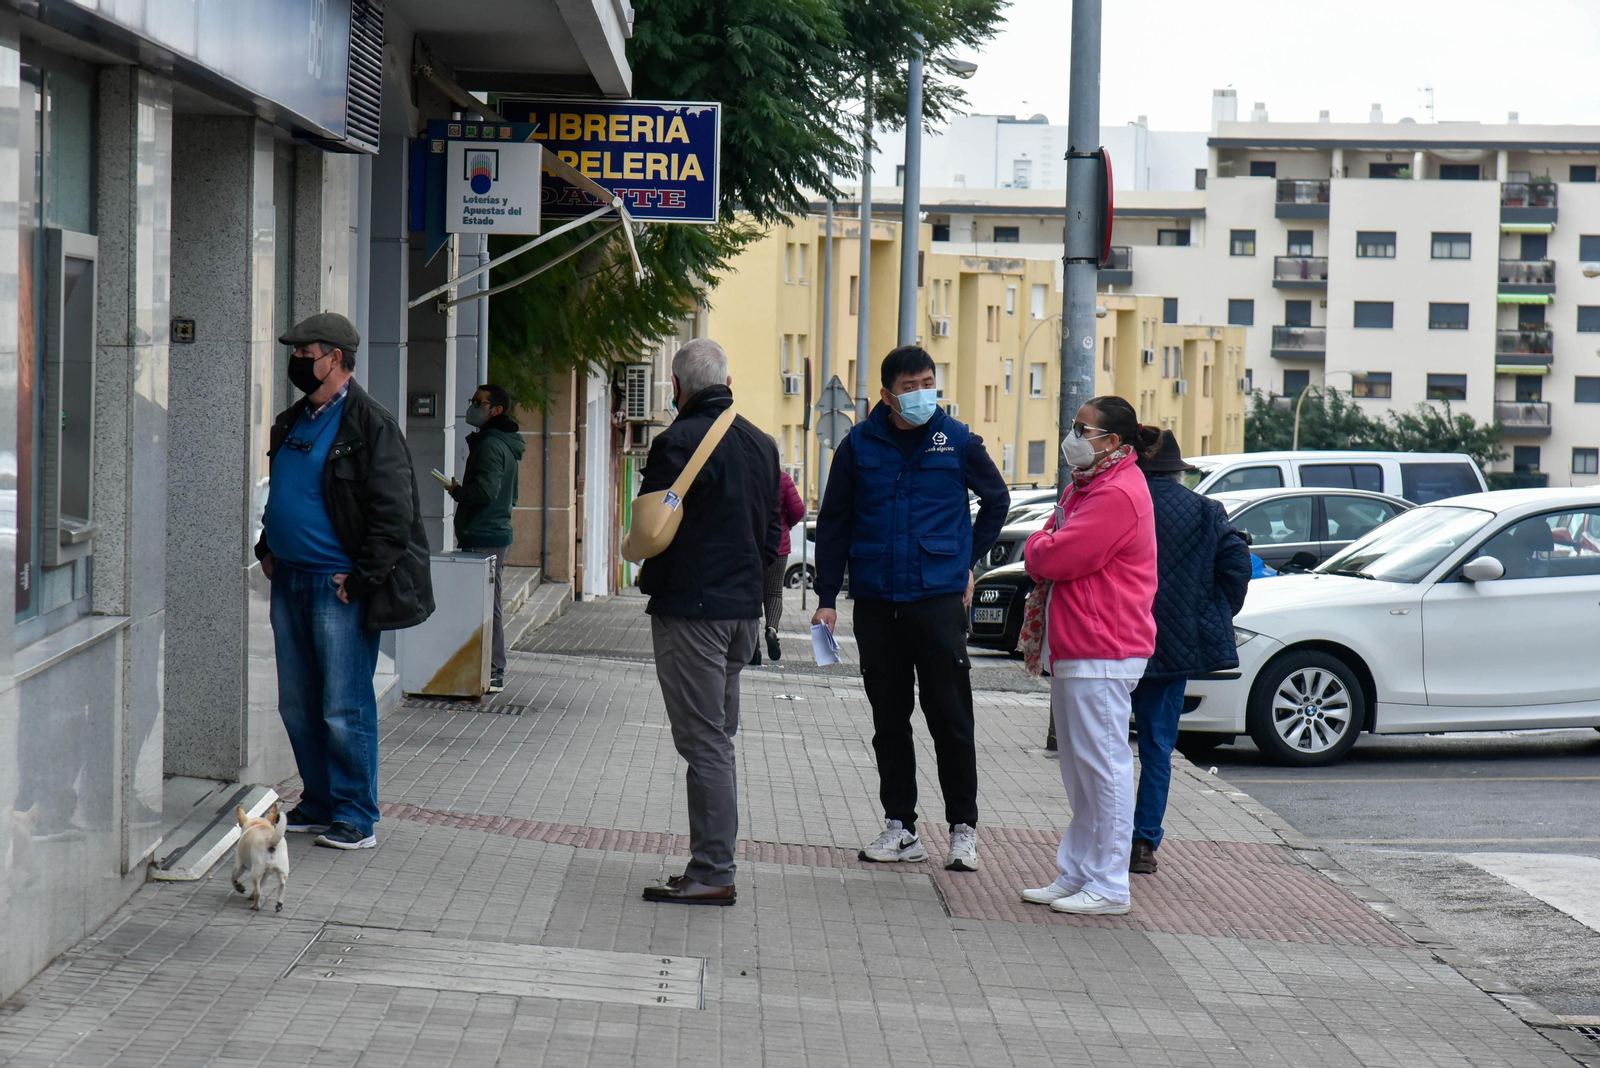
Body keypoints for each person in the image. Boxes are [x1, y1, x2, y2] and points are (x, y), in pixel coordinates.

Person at [811, 345, 1009, 872]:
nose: (922, 393)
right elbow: (834, 524)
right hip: (877, 602)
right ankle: (901, 826)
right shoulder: (858, 445)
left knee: (950, 717)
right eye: (910, 386)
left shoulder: (957, 441)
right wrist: (826, 599)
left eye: (928, 382)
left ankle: (963, 829)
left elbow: (997, 500)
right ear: (887, 394)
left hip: (938, 600)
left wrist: (967, 560)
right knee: (889, 720)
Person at [257, 312, 435, 851]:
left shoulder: (370, 425)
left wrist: (361, 579)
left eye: (305, 354)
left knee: (344, 704)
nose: (297, 363)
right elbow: (284, 493)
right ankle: (319, 801)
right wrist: (268, 547)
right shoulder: (293, 421)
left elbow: (394, 512)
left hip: (338, 589)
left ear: (335, 359)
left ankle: (356, 814)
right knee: (298, 703)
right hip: (290, 580)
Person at [636, 338, 781, 905]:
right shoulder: (761, 443)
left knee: (705, 743)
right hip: (742, 611)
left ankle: (713, 871)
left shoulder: (677, 441)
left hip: (693, 610)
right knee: (717, 739)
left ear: (676, 387)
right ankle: (709, 863)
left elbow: (651, 526)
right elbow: (773, 535)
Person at [1019, 396, 1156, 915]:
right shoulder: (1091, 485)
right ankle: (1078, 871)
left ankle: (1109, 884)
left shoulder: (1116, 492)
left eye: (1084, 428)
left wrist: (1039, 544)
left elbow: (1060, 554)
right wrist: (1046, 541)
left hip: (1104, 645)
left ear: (1114, 442)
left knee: (1104, 768)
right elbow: (1054, 545)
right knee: (1081, 770)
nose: (1073, 435)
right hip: (1085, 643)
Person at [1128, 429, 1252, 875]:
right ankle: (1143, 847)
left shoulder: (1121, 503)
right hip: (1174, 647)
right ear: (1179, 472)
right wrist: (1210, 611)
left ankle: (1105, 836)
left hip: (1118, 640)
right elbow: (1237, 566)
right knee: (1158, 749)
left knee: (1108, 747)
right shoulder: (1204, 510)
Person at [448, 383, 525, 693]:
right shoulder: (503, 443)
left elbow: (485, 492)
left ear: (496, 410)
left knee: (487, 603)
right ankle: (485, 667)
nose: (473, 406)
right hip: (490, 530)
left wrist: (457, 492)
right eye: (473, 400)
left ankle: (494, 669)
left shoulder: (492, 445)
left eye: (479, 403)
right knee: (481, 602)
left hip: (485, 533)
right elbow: (512, 494)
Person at [753, 467, 806, 665]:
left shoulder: (748, 475)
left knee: (752, 594)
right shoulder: (783, 478)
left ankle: (753, 646)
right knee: (774, 593)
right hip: (779, 546)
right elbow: (798, 510)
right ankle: (771, 630)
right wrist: (786, 524)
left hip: (752, 547)